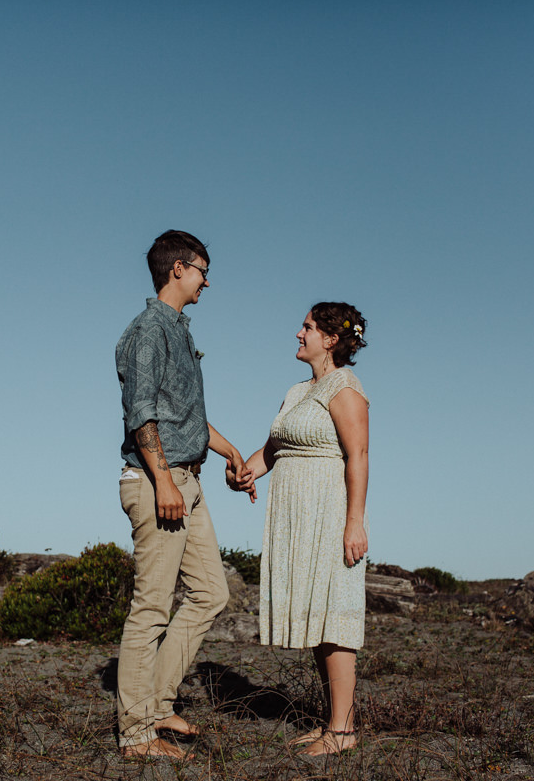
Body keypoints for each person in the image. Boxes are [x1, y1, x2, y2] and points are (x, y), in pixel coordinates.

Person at [114, 229, 251, 759]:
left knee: (211, 593)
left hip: (185, 480)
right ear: (178, 269)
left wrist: (230, 450)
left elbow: (184, 415)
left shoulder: (177, 330)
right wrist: (165, 479)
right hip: (158, 482)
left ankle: (156, 702)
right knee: (151, 606)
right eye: (201, 270)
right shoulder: (149, 330)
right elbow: (141, 412)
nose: (206, 280)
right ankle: (135, 734)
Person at [228, 301, 370, 756]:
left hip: (327, 511)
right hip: (294, 515)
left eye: (306, 327)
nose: (298, 333)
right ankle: (332, 722)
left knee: (335, 615)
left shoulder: (345, 388)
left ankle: (343, 732)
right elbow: (271, 451)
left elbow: (359, 457)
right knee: (316, 615)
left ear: (331, 338)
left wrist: (354, 523)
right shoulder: (296, 391)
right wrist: (244, 472)